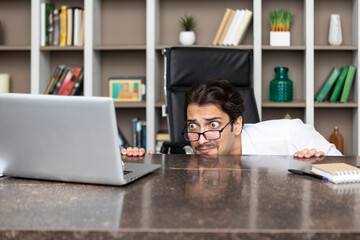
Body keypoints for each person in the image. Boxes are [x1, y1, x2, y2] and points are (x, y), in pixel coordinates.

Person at [122, 78, 342, 157]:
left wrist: (316, 164)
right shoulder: (190, 156)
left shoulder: (289, 133)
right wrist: (137, 160)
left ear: (237, 125)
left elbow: (346, 173)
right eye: (192, 126)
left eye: (213, 124)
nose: (200, 139)